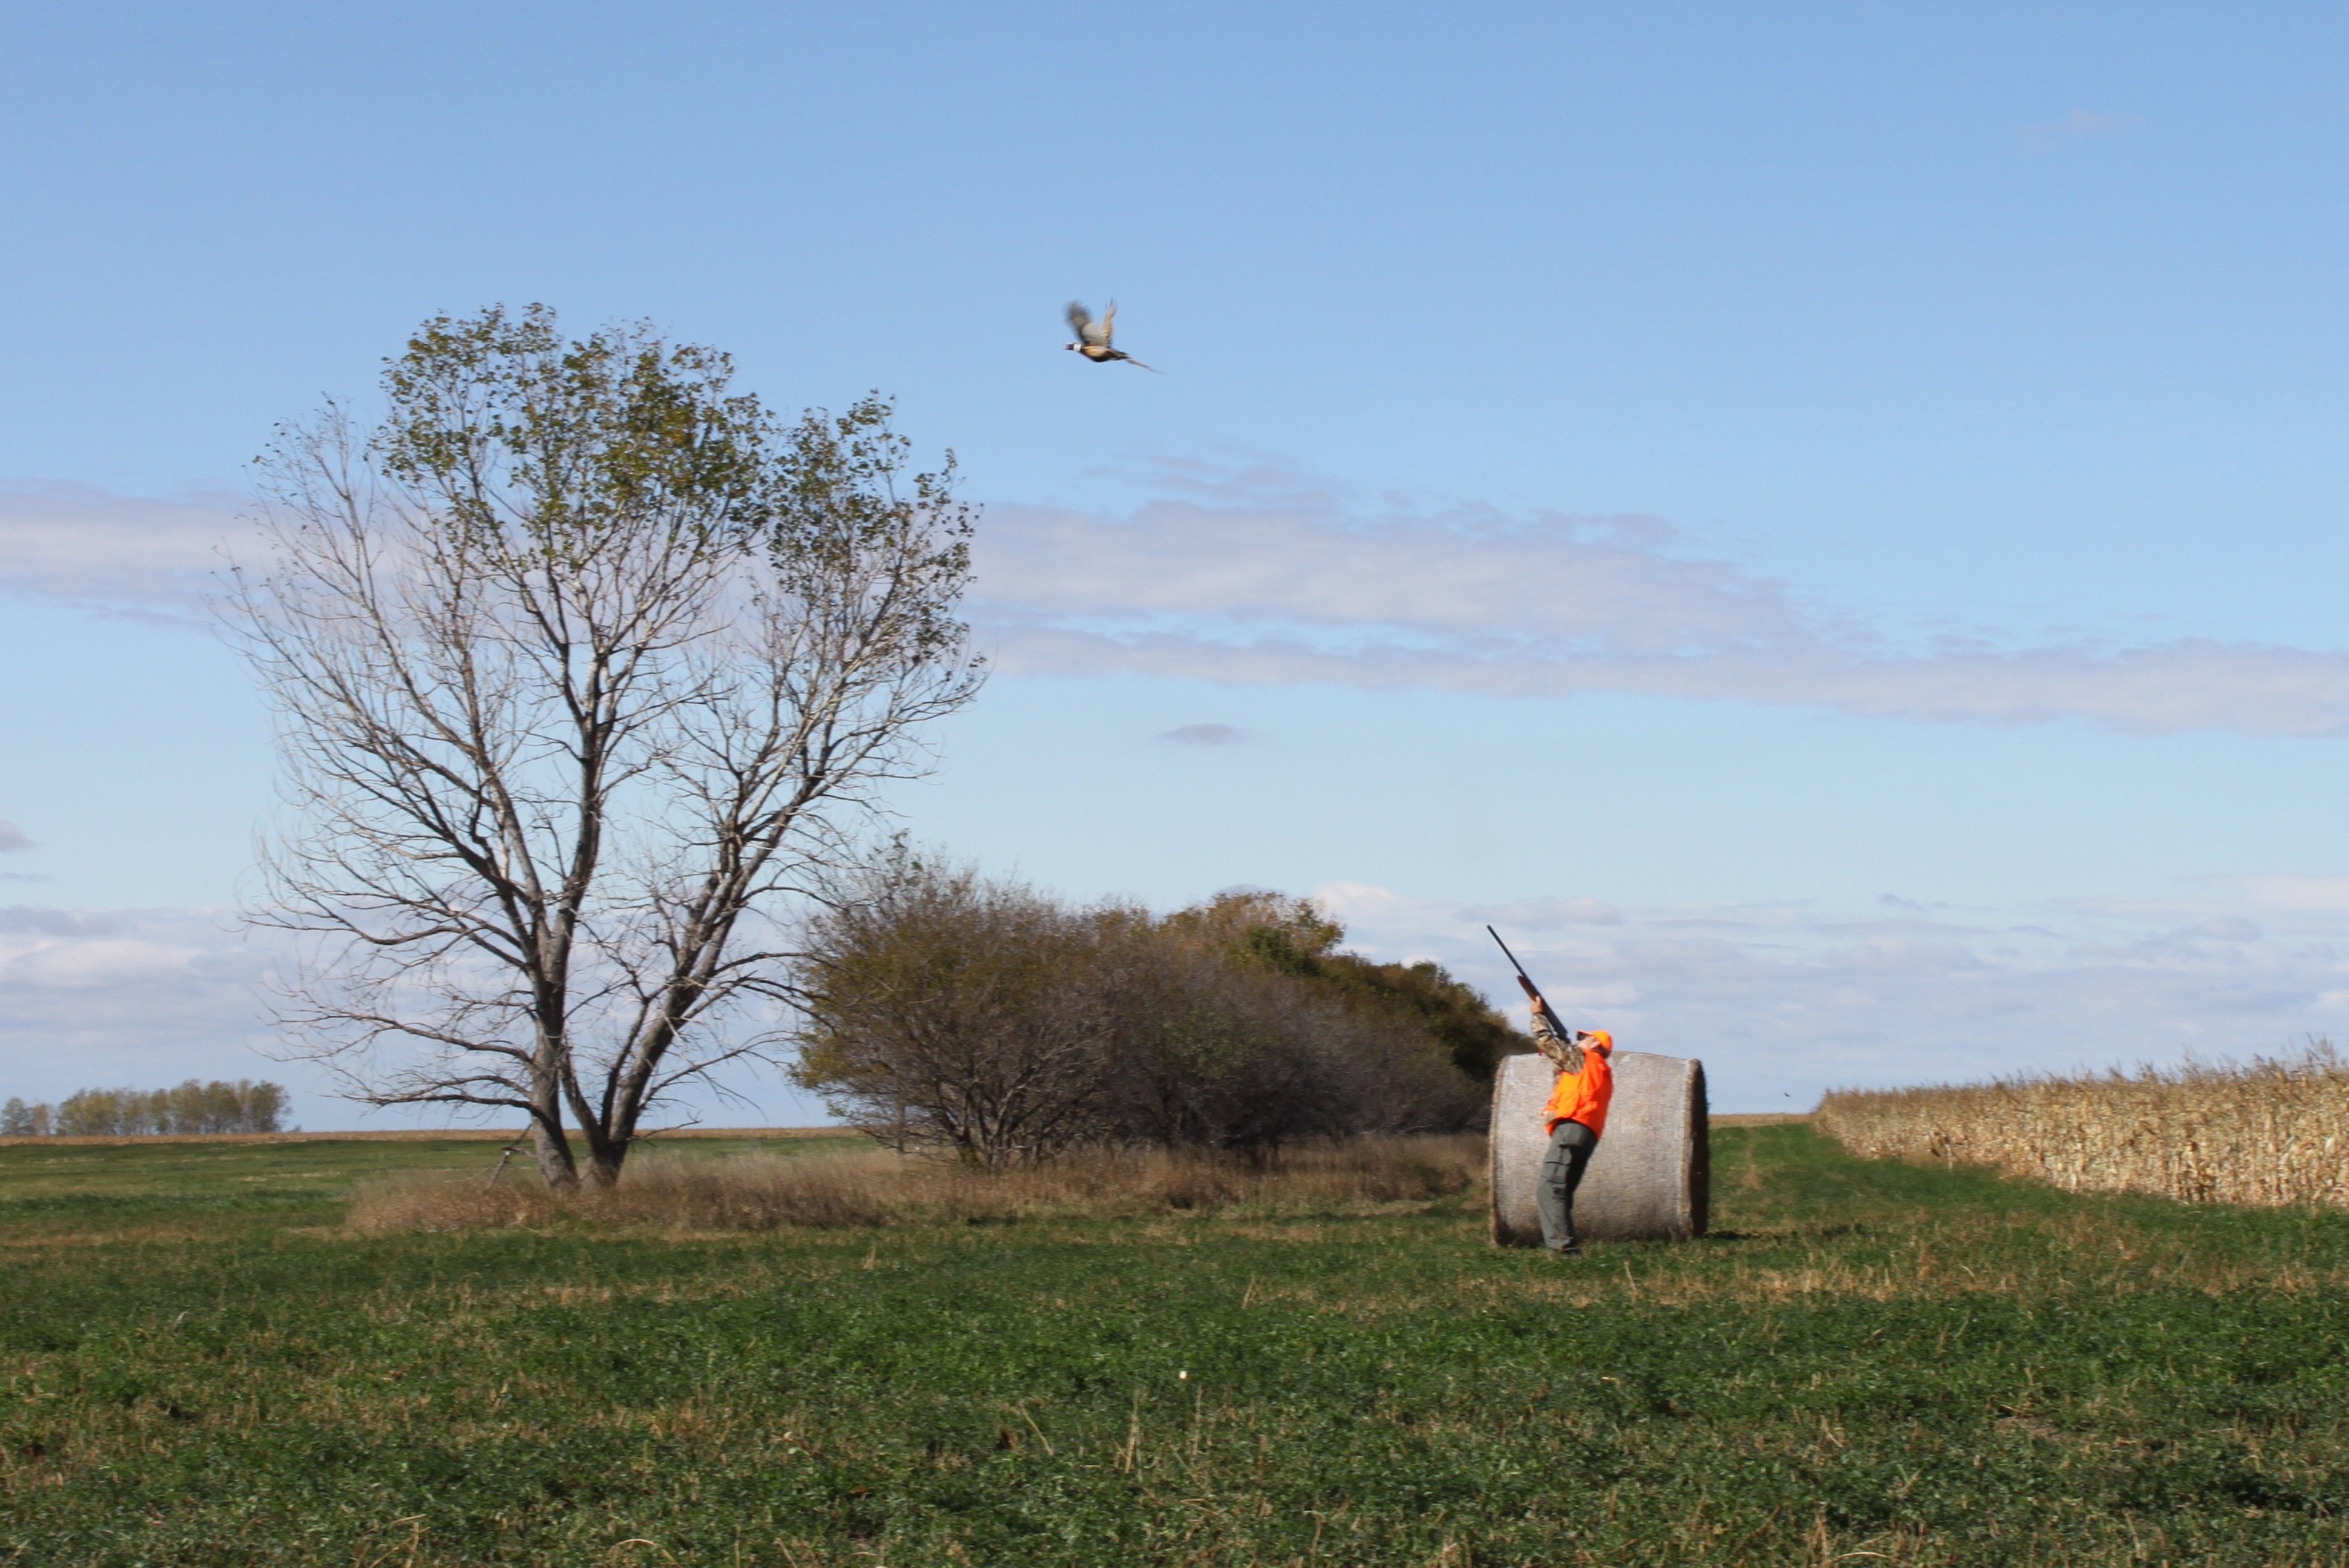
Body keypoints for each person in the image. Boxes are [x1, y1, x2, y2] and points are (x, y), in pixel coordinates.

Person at [1528, 996, 1614, 1256]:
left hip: (1571, 1128)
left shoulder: (1584, 1059)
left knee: (1549, 1187)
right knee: (1562, 1191)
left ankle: (1562, 1250)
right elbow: (1563, 1074)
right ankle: (1567, 1246)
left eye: (1584, 1037)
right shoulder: (1600, 1070)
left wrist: (1538, 1016)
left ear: (1595, 1044)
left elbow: (1547, 1042)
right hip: (1587, 1135)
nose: (1579, 1040)